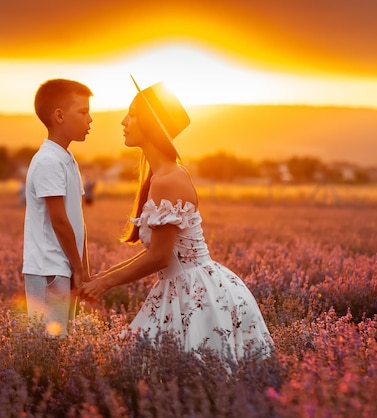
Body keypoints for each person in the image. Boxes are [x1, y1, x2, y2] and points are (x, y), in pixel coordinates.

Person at [81, 79, 273, 362]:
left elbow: (159, 257)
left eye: (132, 114)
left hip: (194, 294)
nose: (123, 121)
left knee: (171, 370)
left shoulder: (168, 180)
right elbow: (156, 253)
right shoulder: (161, 176)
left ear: (150, 124)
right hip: (185, 287)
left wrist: (107, 282)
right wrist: (101, 277)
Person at [22, 79, 93, 336]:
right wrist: (77, 267)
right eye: (83, 112)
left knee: (64, 342)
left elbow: (77, 219)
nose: (90, 119)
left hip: (63, 267)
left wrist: (83, 268)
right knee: (49, 345)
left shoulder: (67, 158)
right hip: (48, 268)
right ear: (60, 115)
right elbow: (59, 220)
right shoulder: (48, 160)